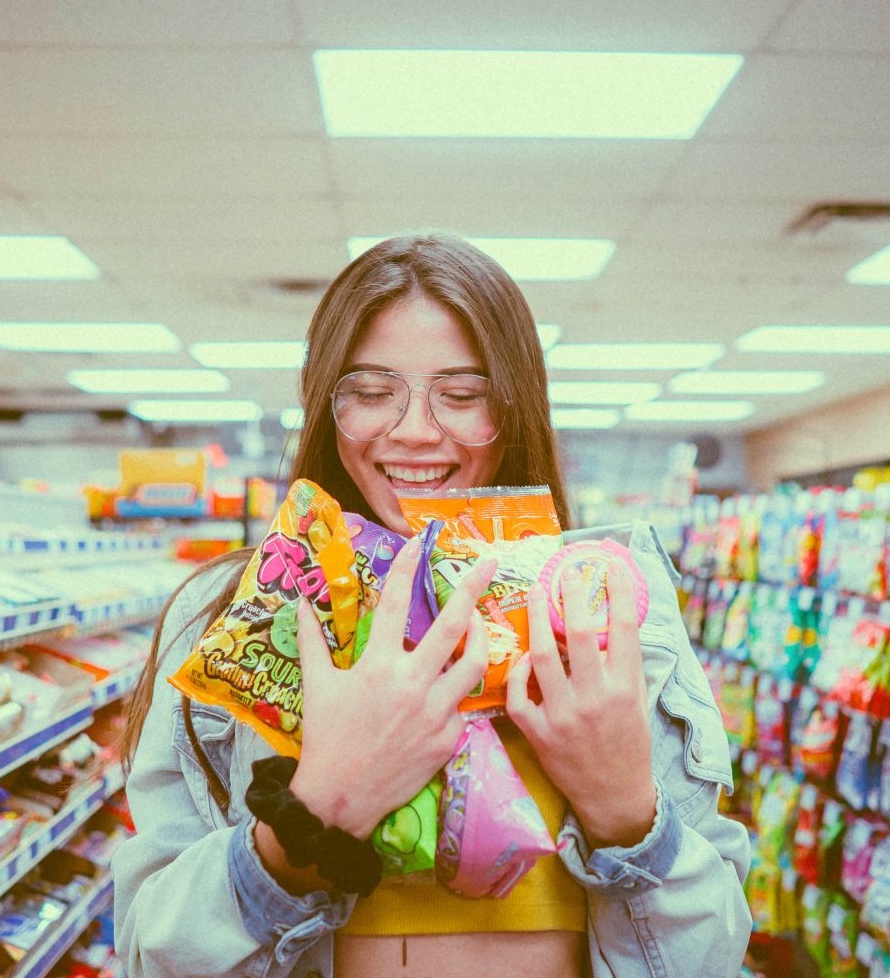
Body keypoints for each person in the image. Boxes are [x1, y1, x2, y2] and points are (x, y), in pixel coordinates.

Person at [113, 233, 751, 978]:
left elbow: (711, 959)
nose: (414, 430)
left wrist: (626, 814)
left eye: (462, 394)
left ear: (514, 409)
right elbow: (147, 959)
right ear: (326, 402)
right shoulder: (226, 616)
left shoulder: (602, 607)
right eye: (372, 392)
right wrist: (309, 817)